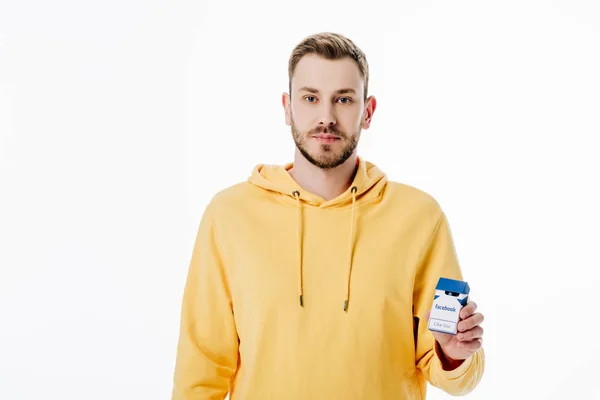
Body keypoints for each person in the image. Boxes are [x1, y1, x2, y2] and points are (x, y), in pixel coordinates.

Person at [171, 32, 485, 399]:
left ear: (367, 112)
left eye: (344, 99)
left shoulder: (418, 218)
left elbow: (456, 375)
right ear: (287, 108)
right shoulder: (229, 216)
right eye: (310, 98)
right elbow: (201, 365)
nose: (326, 117)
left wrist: (453, 354)